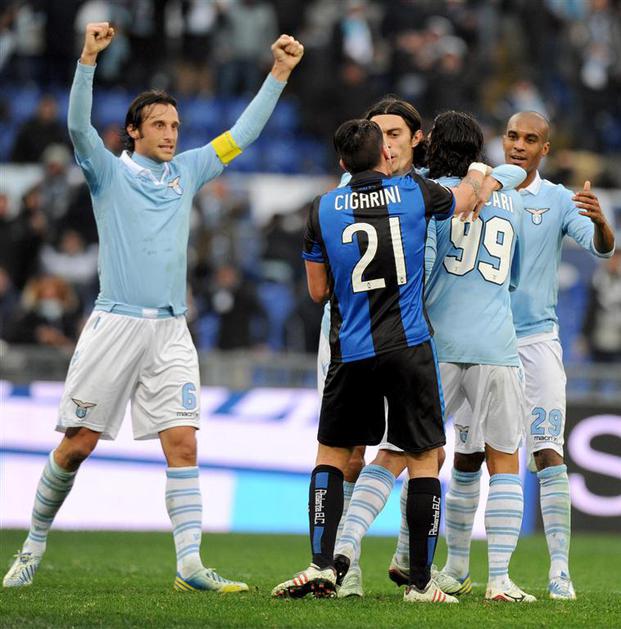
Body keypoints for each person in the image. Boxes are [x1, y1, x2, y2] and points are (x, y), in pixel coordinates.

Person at [3, 22, 303, 591]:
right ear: (133, 132)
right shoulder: (108, 173)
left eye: (175, 126)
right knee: (78, 446)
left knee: (183, 442)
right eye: (160, 125)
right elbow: (77, 126)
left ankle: (190, 565)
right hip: (115, 324)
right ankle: (32, 545)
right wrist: (88, 59)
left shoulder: (187, 171)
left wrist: (279, 74)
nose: (170, 134)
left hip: (170, 330)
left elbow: (241, 135)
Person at [271, 118, 499, 604]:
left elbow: (317, 291)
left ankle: (321, 564)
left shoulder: (322, 208)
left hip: (350, 349)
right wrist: (480, 171)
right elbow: (465, 200)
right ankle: (421, 583)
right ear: (385, 155)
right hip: (408, 345)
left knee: (332, 456)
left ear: (341, 162)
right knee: (423, 458)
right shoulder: (414, 192)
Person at [434, 111, 615, 601]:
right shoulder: (480, 187)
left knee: (548, 452)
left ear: (545, 149)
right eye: (512, 136)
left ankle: (560, 570)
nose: (518, 144)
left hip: (535, 343)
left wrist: (601, 223)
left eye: (529, 139)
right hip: (483, 341)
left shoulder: (557, 199)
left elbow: (601, 249)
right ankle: (456, 565)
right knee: (467, 453)